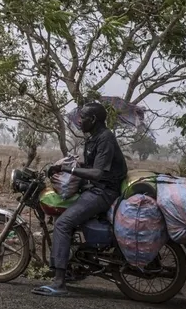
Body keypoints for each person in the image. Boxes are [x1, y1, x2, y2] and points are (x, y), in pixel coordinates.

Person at [31, 102, 127, 297]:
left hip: (103, 191)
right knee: (64, 218)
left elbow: (98, 172)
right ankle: (72, 267)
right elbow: (90, 162)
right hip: (95, 189)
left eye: (83, 118)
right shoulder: (95, 138)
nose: (79, 121)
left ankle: (59, 283)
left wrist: (68, 169)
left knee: (63, 223)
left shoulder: (105, 138)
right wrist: (63, 164)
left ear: (94, 120)